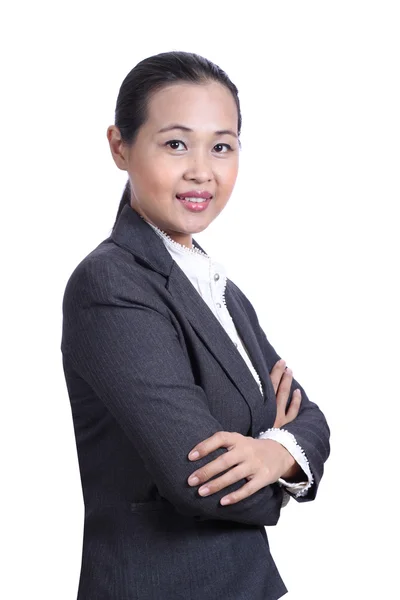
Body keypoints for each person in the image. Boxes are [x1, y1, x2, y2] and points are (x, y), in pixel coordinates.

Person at [61, 50, 330, 600]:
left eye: (222, 146)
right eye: (176, 143)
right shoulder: (111, 284)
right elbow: (204, 485)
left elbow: (312, 419)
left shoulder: (218, 288)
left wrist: (274, 451)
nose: (201, 171)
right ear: (120, 146)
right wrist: (282, 459)